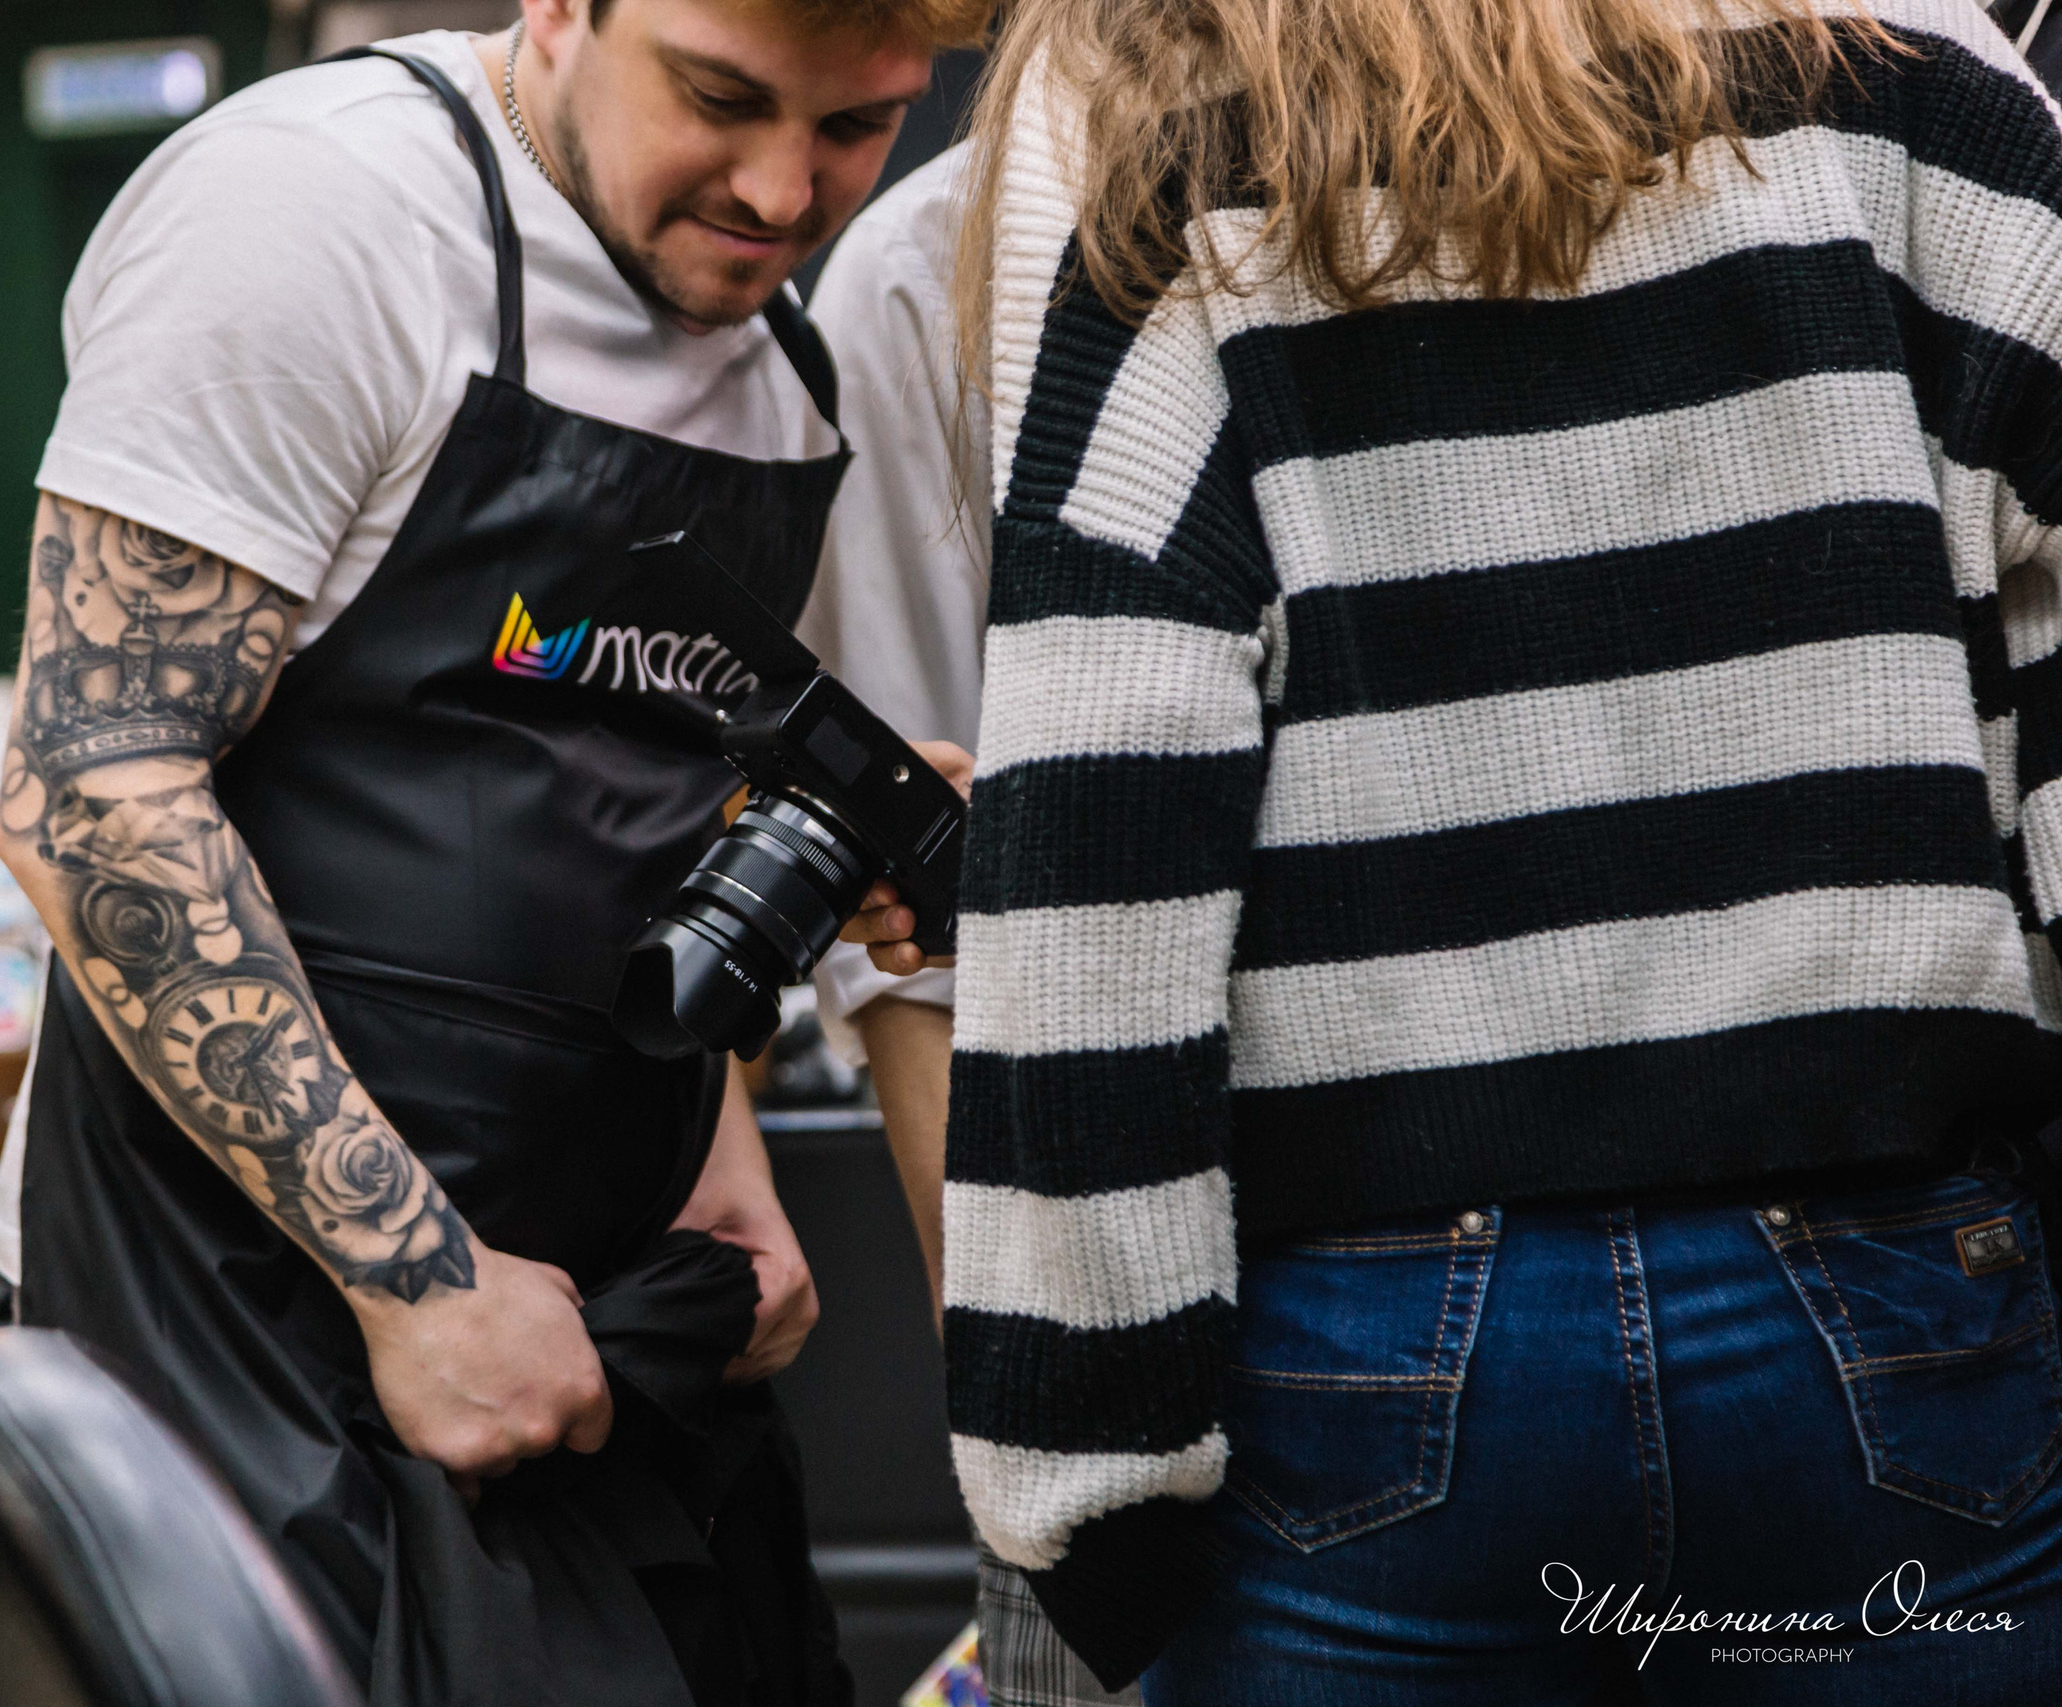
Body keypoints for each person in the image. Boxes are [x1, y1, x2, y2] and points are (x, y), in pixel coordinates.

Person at [847, 0, 2062, 1696]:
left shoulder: (1189, 183)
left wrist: (1088, 1479)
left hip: (1382, 1356)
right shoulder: (1913, 84)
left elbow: (1100, 857)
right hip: (1895, 1293)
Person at [0, 0, 987, 1697]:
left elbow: (615, 804)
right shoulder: (324, 218)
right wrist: (420, 1285)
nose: (777, 192)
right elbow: (94, 788)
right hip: (255, 1331)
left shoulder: (778, 369)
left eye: (854, 128)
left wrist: (716, 1145)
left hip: (610, 1339)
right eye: (719, 97)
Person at [796, 144, 1138, 1707]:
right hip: (1123, 1339)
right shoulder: (932, 265)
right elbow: (910, 931)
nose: (779, 187)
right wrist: (1018, 1412)